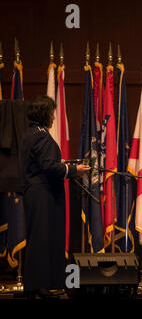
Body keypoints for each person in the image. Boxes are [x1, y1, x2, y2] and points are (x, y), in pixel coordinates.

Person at [19, 95, 90, 299]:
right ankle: (41, 286)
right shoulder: (41, 135)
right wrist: (73, 169)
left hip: (35, 192)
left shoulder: (29, 133)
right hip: (44, 194)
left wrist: (64, 165)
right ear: (44, 114)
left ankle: (34, 285)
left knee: (37, 239)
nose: (53, 116)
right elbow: (49, 167)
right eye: (51, 112)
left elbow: (39, 164)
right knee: (43, 239)